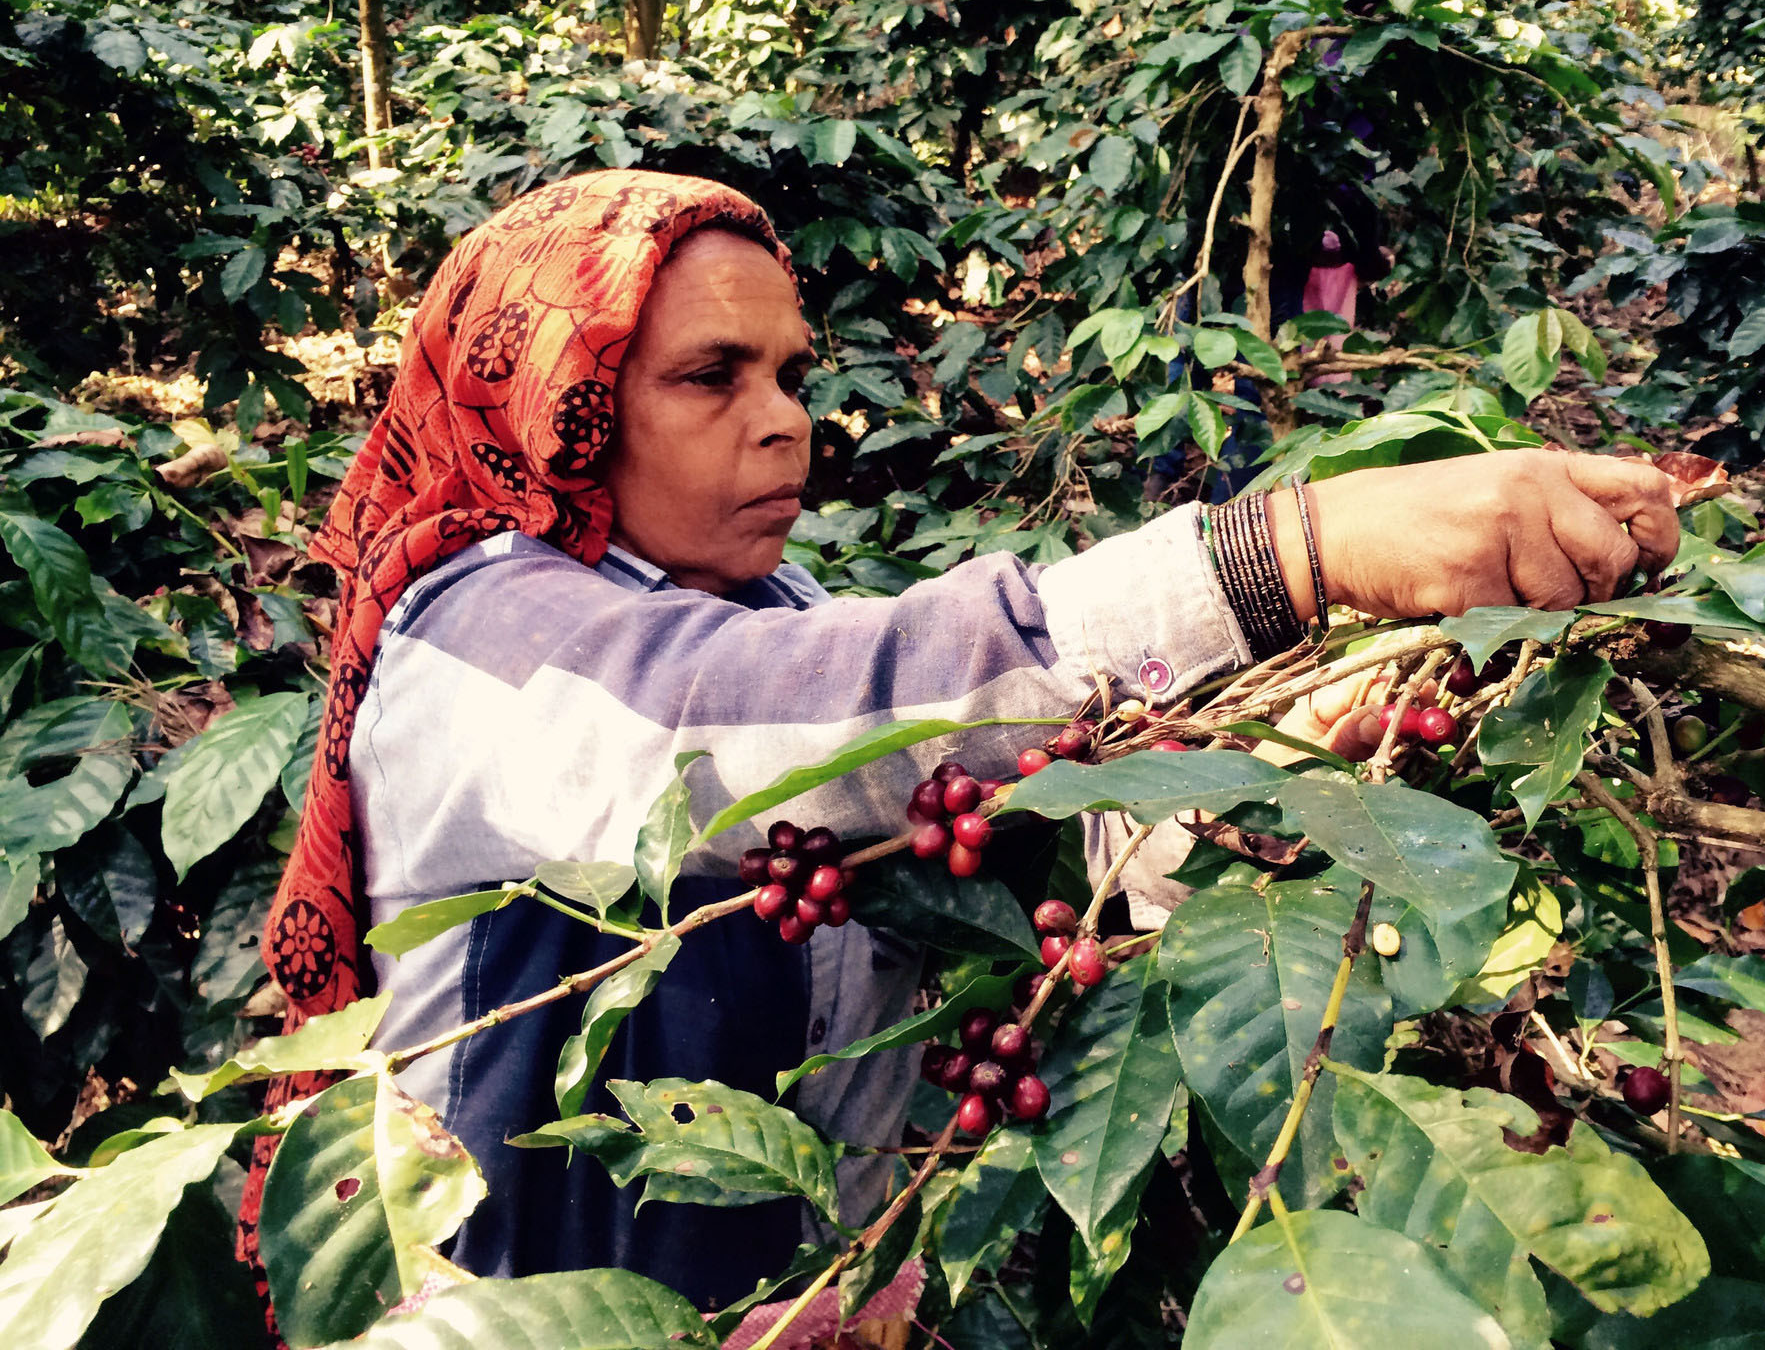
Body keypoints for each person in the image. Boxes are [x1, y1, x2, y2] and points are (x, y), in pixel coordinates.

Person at [240, 170, 1678, 1312]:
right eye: (710, 377)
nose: (784, 425)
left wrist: (1243, 788)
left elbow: (1005, 888)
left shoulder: (771, 603)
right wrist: (1292, 548)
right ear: (560, 401)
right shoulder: (480, 643)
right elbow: (791, 718)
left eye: (790, 375)